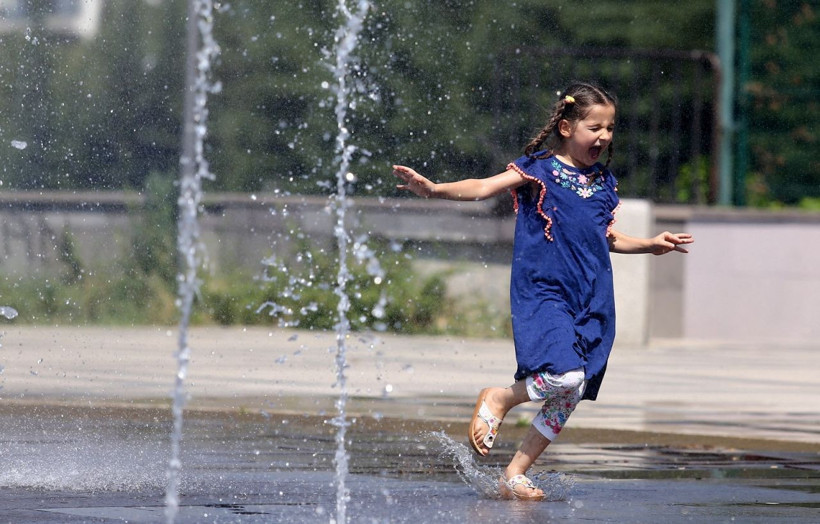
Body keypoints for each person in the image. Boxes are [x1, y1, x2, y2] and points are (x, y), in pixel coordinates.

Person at [393, 82, 693, 501]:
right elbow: (483, 186)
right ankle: (501, 398)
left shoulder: (602, 181)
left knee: (572, 387)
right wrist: (436, 190)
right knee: (564, 375)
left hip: (592, 298)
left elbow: (603, 236)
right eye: (595, 126)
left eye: (610, 128)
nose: (604, 136)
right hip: (545, 291)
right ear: (567, 127)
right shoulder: (539, 170)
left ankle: (514, 473)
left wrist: (649, 244)